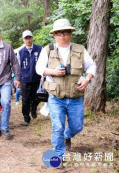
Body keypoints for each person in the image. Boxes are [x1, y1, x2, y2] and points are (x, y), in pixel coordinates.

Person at [36, 18, 96, 161]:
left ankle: (66, 136)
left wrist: (87, 79)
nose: (62, 35)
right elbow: (38, 69)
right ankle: (58, 156)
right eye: (59, 32)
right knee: (57, 127)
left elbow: (92, 66)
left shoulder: (80, 49)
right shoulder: (48, 50)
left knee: (77, 126)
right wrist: (52, 72)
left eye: (66, 32)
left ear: (70, 33)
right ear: (54, 35)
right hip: (56, 98)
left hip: (75, 97)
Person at [18, 30, 42, 126]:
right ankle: (26, 118)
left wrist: (43, 76)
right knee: (25, 99)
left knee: (37, 98)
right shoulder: (20, 52)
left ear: (32, 38)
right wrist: (18, 79)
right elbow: (18, 66)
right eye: (26, 38)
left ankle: (33, 108)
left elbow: (44, 63)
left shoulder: (39, 49)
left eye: (29, 38)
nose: (28, 40)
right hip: (25, 79)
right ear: (23, 40)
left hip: (37, 78)